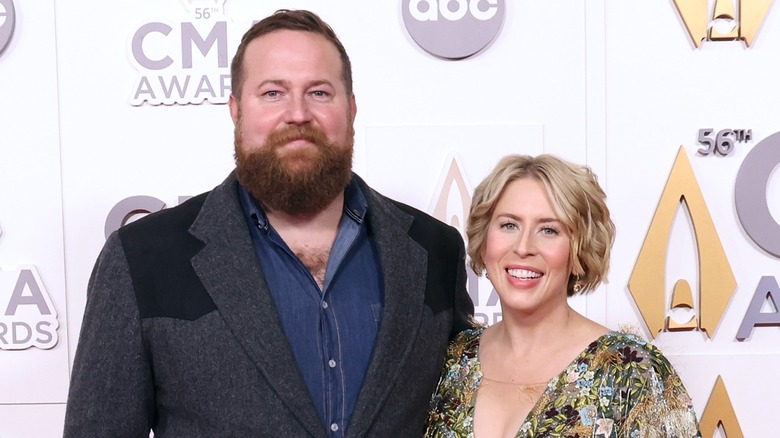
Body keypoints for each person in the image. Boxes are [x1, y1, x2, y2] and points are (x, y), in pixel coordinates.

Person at [64, 9, 474, 437]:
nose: (297, 114)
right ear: (236, 111)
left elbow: (474, 406)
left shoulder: (434, 250)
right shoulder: (143, 259)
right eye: (273, 93)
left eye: (318, 92)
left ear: (350, 109)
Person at [424, 154, 701, 437]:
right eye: (509, 225)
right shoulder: (451, 360)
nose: (523, 247)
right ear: (484, 241)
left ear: (578, 250)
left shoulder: (629, 371)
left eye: (548, 230)